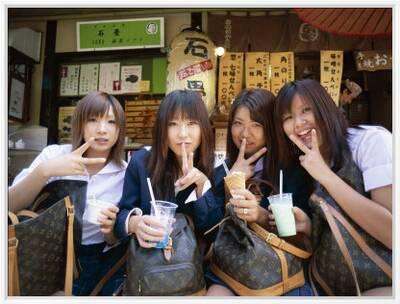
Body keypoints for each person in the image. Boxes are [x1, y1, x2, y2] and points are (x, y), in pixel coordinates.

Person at [273, 79, 392, 296]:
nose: (298, 123)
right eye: (288, 117)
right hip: (328, 286)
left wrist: (326, 176)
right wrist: (309, 227)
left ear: (325, 108)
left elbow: (393, 234)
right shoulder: (305, 161)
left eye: (306, 110)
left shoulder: (370, 141)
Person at [9, 91, 128, 295]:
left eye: (111, 122)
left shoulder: (125, 173)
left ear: (119, 130)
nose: (102, 129)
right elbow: (9, 205)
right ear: (80, 123)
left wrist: (110, 233)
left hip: (93, 258)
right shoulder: (55, 154)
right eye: (93, 120)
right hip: (42, 251)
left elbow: (115, 240)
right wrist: (44, 172)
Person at [206, 88, 314, 296]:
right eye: (238, 123)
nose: (245, 134)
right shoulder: (222, 171)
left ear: (271, 127)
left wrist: (261, 215)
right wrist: (231, 183)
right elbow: (208, 229)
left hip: (280, 271)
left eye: (256, 124)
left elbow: (301, 235)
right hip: (231, 271)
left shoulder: (293, 170)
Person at [114, 90, 223, 248]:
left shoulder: (215, 166)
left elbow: (216, 233)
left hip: (196, 268)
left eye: (191, 123)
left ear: (204, 128)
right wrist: (135, 223)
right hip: (148, 265)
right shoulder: (142, 162)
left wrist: (202, 184)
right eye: (173, 124)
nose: (183, 134)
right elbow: (121, 218)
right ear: (162, 128)